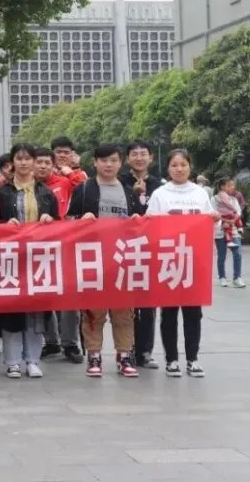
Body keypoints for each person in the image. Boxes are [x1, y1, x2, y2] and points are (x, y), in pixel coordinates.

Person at [68, 144, 142, 379]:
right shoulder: (84, 189)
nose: (108, 165)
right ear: (95, 163)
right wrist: (81, 220)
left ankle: (125, 355)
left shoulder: (129, 191)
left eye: (113, 160)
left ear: (120, 163)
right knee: (93, 312)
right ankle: (94, 355)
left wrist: (138, 219)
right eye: (103, 160)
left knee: (124, 312)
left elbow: (141, 223)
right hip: (93, 260)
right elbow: (68, 222)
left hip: (122, 260)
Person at [146, 149, 216, 378]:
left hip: (194, 262)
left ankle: (193, 359)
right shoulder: (159, 194)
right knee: (169, 313)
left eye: (183, 164)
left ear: (190, 166)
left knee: (193, 313)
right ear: (168, 168)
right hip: (168, 261)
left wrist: (214, 219)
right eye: (174, 165)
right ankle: (172, 360)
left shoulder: (200, 193)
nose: (179, 169)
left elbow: (209, 225)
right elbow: (150, 226)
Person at [0, 144, 59, 379]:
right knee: (12, 310)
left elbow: (60, 224)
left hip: (37, 258)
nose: (23, 163)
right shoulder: (2, 192)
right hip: (10, 257)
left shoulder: (46, 192)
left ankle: (33, 360)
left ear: (33, 161)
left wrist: (50, 219)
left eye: (27, 158)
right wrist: (4, 225)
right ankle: (12, 362)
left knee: (36, 311)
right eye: (19, 158)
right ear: (12, 162)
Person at [34, 147, 83, 362]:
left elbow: (84, 186)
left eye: (47, 162)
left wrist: (72, 169)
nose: (43, 166)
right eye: (39, 162)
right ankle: (51, 342)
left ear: (53, 165)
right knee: (44, 296)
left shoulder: (64, 183)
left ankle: (70, 343)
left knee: (69, 296)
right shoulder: (26, 186)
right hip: (37, 248)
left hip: (65, 245)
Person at [120, 140, 164, 369]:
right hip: (124, 249)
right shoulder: (119, 183)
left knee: (148, 304)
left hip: (151, 249)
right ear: (127, 159)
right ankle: (126, 350)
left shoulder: (159, 185)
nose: (139, 158)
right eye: (134, 154)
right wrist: (134, 196)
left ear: (151, 158)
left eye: (143, 154)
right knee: (126, 305)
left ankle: (145, 351)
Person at [214, 178, 245, 288]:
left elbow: (238, 212)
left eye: (232, 185)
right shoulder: (215, 199)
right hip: (220, 230)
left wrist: (233, 220)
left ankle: (237, 278)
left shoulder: (233, 200)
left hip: (233, 230)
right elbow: (213, 213)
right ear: (222, 187)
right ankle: (222, 277)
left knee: (238, 254)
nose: (232, 187)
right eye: (229, 185)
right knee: (222, 255)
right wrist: (223, 221)